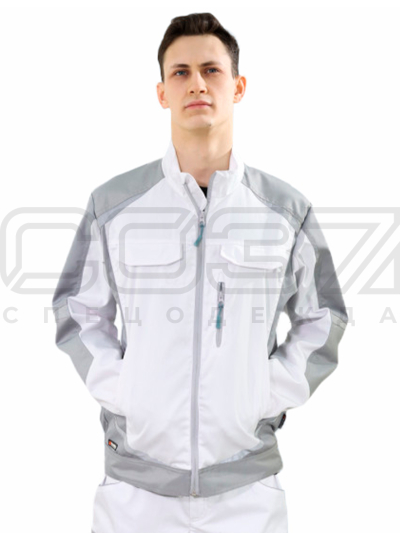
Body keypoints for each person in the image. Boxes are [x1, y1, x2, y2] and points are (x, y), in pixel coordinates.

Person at [51, 12, 348, 533]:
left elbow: (323, 319)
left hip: (247, 493)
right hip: (134, 494)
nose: (197, 84)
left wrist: (266, 393)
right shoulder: (114, 205)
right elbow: (78, 314)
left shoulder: (285, 210)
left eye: (211, 70)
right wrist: (125, 391)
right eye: (181, 72)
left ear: (238, 86)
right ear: (162, 93)